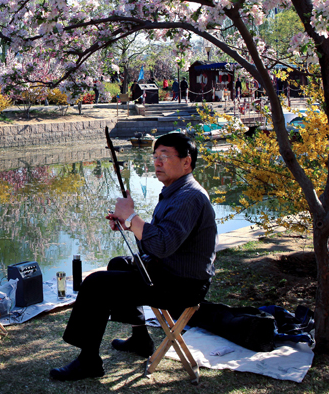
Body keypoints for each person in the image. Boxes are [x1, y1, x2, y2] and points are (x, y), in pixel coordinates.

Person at [49, 132, 217, 381]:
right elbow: (155, 243)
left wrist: (131, 217)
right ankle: (140, 338)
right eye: (155, 156)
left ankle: (88, 361)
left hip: (183, 285)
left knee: (96, 284)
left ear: (186, 162)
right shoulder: (175, 192)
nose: (157, 162)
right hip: (169, 271)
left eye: (164, 157)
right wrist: (129, 225)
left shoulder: (189, 197)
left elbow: (161, 245)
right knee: (118, 263)